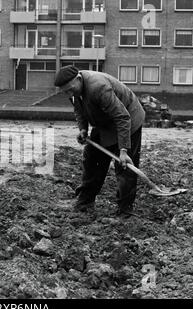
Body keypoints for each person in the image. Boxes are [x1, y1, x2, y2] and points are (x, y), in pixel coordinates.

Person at [54, 66, 146, 216]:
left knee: (124, 166)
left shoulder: (99, 87)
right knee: (92, 158)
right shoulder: (74, 90)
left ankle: (125, 209)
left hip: (128, 120)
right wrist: (83, 129)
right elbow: (79, 109)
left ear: (78, 79)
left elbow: (122, 117)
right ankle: (85, 201)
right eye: (65, 92)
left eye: (70, 90)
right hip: (105, 122)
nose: (69, 94)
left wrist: (123, 150)